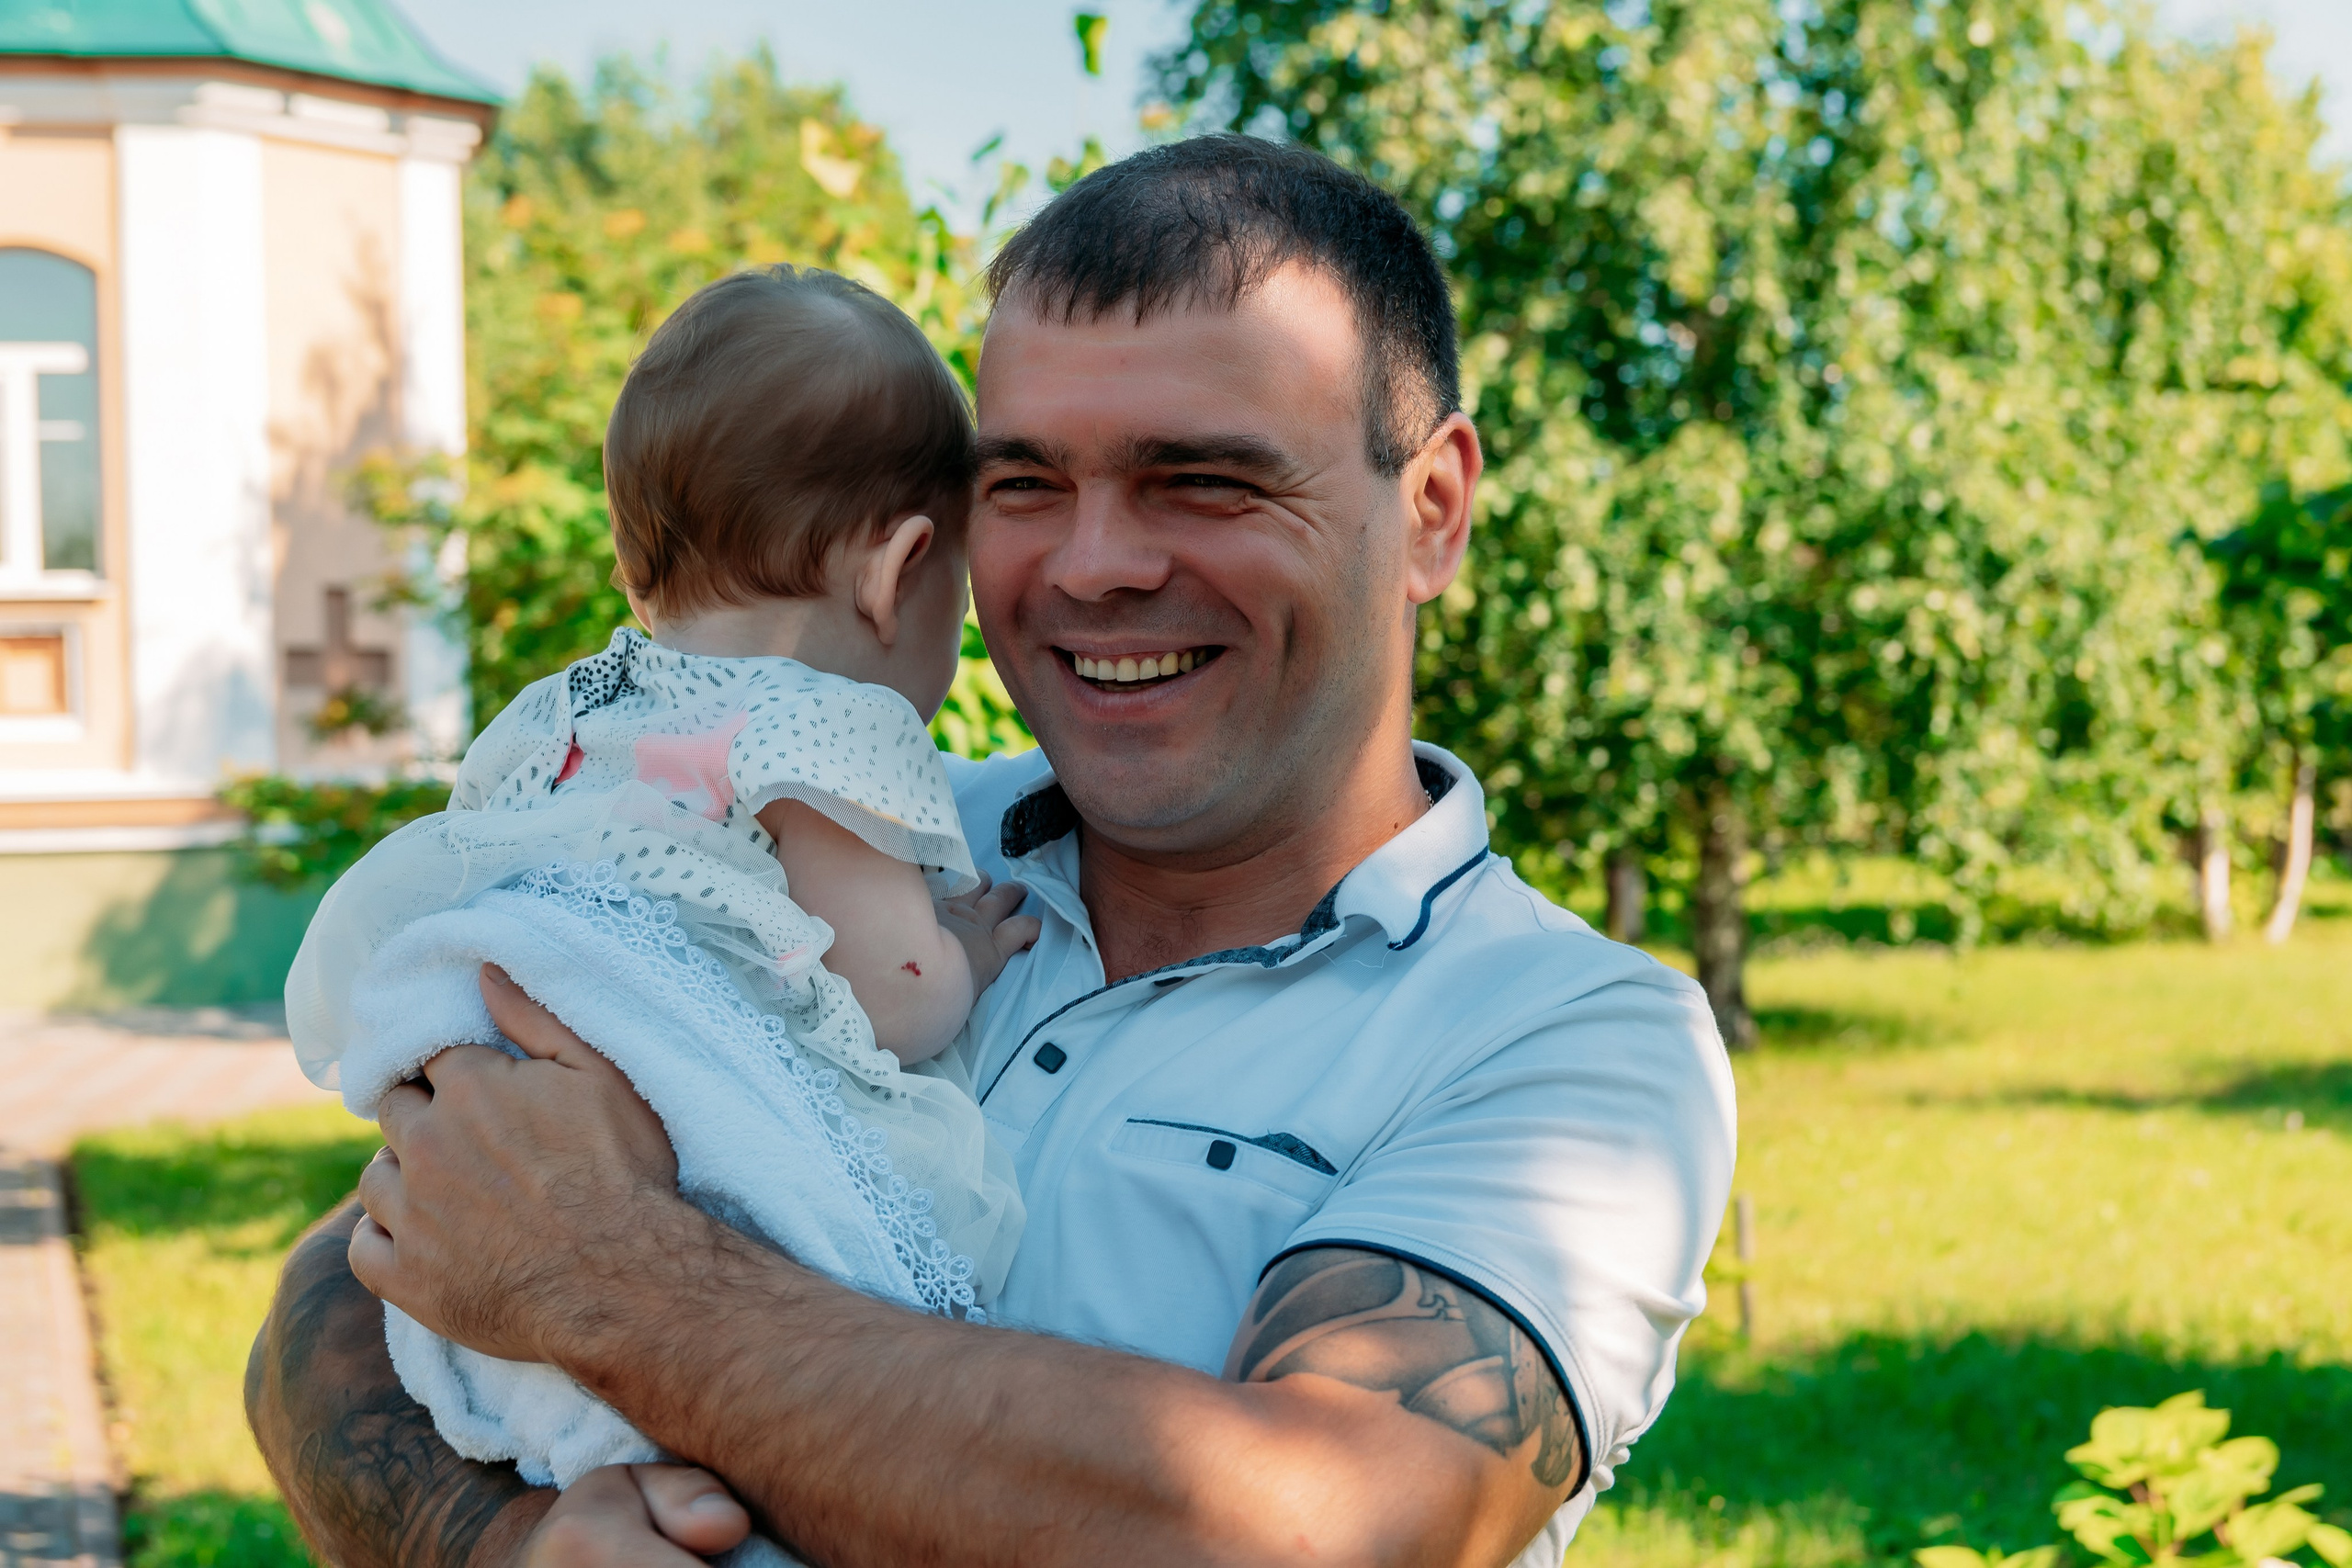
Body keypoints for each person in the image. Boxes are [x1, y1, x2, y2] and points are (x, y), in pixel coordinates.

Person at [247, 134, 1737, 1568]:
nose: (1094, 565)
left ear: (1431, 511)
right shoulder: (782, 855)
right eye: (1023, 485)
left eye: (1204, 480)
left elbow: (1315, 1535)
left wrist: (619, 1284)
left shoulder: (1566, 1044)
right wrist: (493, 1539)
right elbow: (359, 1273)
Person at [275, 265, 1038, 1532]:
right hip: (727, 1154)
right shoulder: (825, 729)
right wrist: (959, 945)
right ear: (903, 570)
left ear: (635, 563)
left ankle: (593, 1447)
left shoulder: (564, 715)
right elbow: (894, 1005)